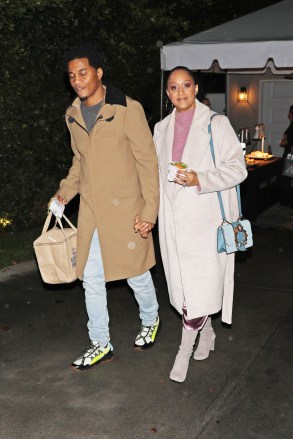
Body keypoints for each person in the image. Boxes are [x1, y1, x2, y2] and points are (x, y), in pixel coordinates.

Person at [49, 44, 160, 371]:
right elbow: (79, 163)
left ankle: (151, 319)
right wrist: (63, 195)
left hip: (127, 210)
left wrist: (149, 210)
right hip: (93, 212)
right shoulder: (72, 115)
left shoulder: (127, 109)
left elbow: (147, 163)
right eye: (71, 76)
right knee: (91, 278)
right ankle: (100, 342)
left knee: (136, 274)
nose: (77, 81)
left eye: (83, 73)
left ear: (99, 72)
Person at [153, 66, 247, 383]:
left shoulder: (216, 124)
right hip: (172, 224)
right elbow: (156, 176)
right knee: (185, 290)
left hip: (205, 222)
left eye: (186, 85)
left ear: (196, 88)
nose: (180, 92)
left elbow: (238, 169)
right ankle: (206, 334)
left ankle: (183, 351)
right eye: (173, 87)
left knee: (200, 286)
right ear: (168, 93)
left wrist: (199, 179)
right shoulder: (160, 129)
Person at [279, 105, 293, 211]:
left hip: (291, 158)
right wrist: (285, 142)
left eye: (289, 112)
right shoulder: (291, 125)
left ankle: (288, 203)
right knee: (286, 180)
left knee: (286, 181)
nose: (288, 115)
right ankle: (286, 202)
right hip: (289, 156)